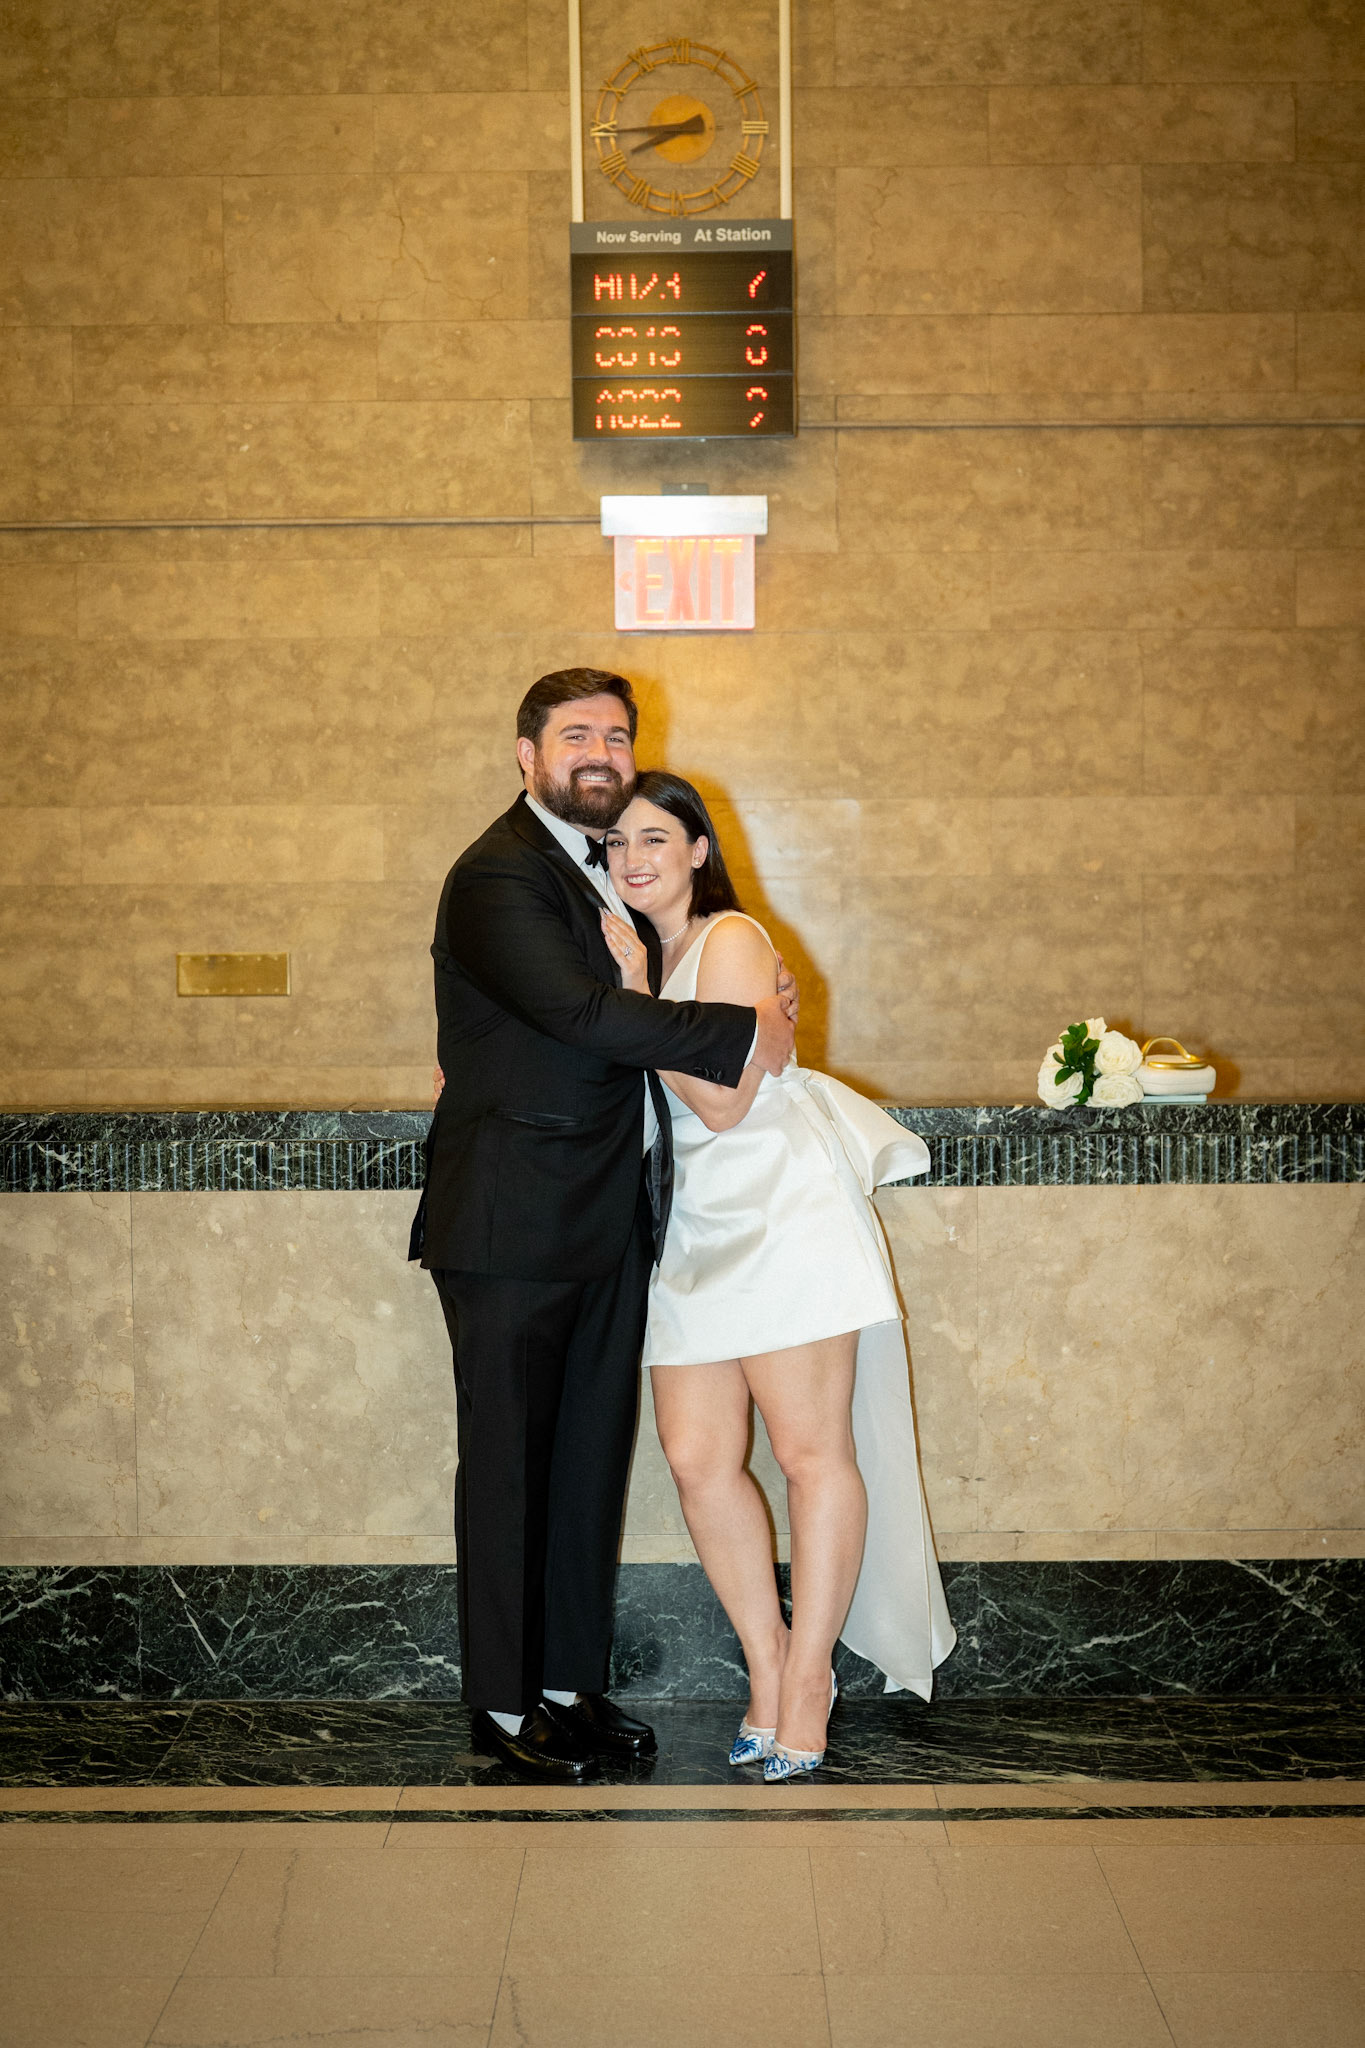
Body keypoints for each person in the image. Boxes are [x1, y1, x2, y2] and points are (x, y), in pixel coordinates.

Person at [409, 670, 799, 1783]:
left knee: (587, 1460)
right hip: (510, 1222)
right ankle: (500, 1702)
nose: (601, 750)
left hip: (607, 1215)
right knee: (508, 1466)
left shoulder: (608, 866)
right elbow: (581, 1015)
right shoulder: (495, 872)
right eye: (575, 733)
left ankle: (571, 1686)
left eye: (617, 735)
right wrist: (743, 1024)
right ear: (524, 753)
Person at [601, 771, 956, 1780]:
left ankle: (810, 1680)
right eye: (618, 843)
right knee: (697, 1456)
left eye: (657, 837)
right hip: (688, 1227)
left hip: (778, 1214)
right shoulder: (624, 958)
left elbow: (720, 1101)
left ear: (698, 849)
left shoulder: (735, 938)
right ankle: (765, 1663)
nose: (636, 858)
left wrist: (628, 1007)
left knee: (809, 1453)